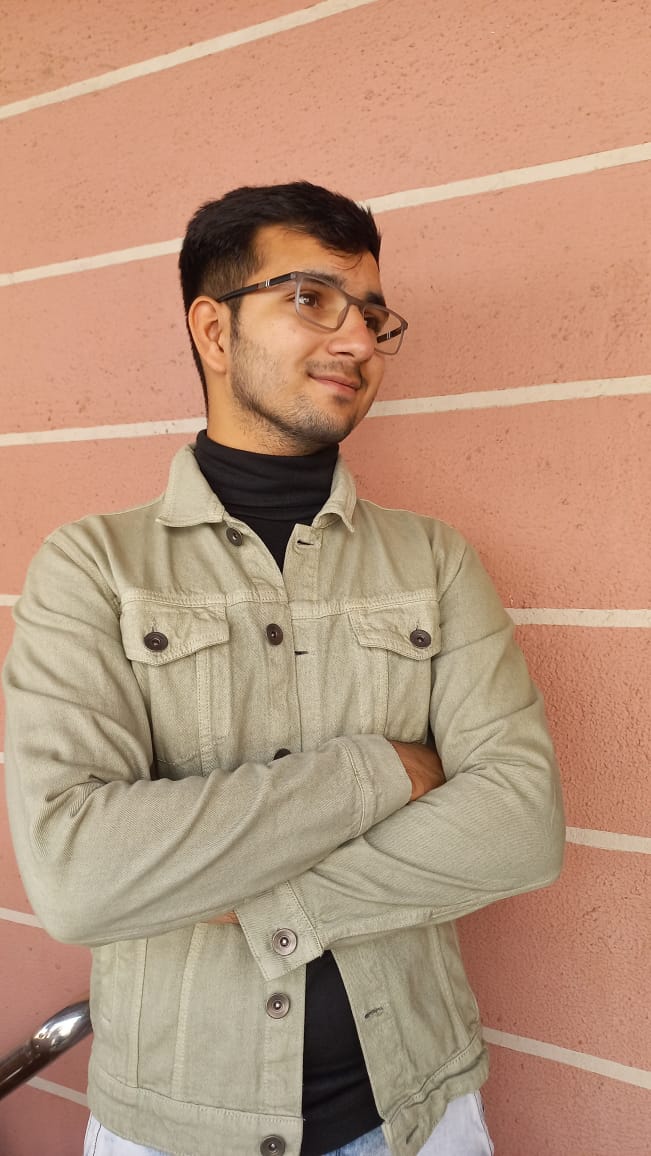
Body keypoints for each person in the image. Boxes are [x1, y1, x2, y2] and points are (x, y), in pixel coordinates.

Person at [3, 181, 565, 1156]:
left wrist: (253, 891)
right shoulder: (92, 568)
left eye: (374, 314)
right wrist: (383, 769)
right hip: (172, 1126)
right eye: (311, 298)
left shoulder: (435, 562)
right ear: (212, 330)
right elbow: (80, 875)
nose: (357, 339)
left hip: (413, 1116)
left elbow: (521, 822)